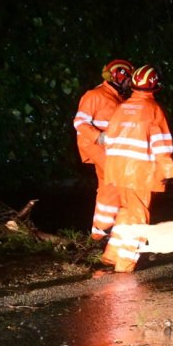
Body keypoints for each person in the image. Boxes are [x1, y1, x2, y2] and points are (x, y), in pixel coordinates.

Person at [101, 65, 173, 272]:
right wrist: (167, 172)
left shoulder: (122, 107)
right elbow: (161, 145)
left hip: (117, 169)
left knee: (126, 211)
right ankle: (125, 265)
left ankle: (112, 255)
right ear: (154, 86)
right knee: (139, 217)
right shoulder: (153, 110)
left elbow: (110, 139)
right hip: (139, 172)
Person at [72, 59, 134, 240]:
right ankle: (105, 231)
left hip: (108, 148)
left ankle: (100, 232)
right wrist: (98, 136)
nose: (131, 83)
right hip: (96, 146)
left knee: (108, 185)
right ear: (120, 75)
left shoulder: (118, 97)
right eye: (129, 78)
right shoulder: (95, 95)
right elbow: (79, 122)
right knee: (115, 182)